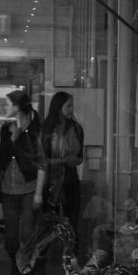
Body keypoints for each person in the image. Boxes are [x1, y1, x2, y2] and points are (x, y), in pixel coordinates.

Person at [0, 90, 47, 275]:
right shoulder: (7, 129)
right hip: (8, 189)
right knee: (11, 238)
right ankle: (18, 264)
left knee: (27, 234)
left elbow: (41, 164)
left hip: (29, 188)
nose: (5, 107)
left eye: (7, 103)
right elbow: (2, 158)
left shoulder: (34, 132)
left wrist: (39, 192)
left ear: (16, 106)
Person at [41, 91, 84, 237]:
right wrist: (64, 160)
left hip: (71, 180)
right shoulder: (47, 130)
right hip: (51, 181)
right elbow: (41, 160)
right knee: (47, 224)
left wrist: (74, 160)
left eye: (72, 106)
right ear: (58, 107)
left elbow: (80, 157)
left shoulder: (77, 129)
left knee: (72, 223)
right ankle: (42, 257)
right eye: (68, 106)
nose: (72, 109)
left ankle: (70, 256)